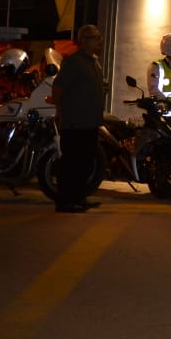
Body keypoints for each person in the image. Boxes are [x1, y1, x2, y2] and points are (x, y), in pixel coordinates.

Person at [52, 25, 106, 213]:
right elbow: (58, 88)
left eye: (99, 37)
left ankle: (79, 198)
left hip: (90, 122)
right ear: (83, 40)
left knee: (85, 163)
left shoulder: (93, 62)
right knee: (72, 164)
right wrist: (60, 111)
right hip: (75, 122)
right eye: (95, 37)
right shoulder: (74, 62)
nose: (99, 41)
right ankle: (66, 201)